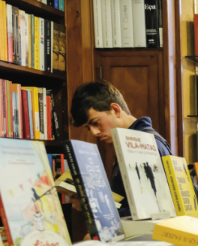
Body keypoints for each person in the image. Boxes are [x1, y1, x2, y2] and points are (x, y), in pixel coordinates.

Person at [70, 80, 172, 218]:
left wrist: (94, 205)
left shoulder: (140, 144)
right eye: (89, 127)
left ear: (116, 110)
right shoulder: (137, 140)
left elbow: (151, 211)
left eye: (95, 123)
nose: (94, 132)